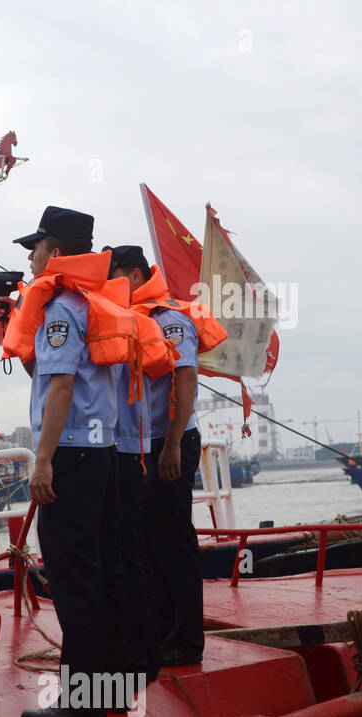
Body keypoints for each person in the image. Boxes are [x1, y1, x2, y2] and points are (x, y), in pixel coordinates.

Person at [0, 206, 130, 717]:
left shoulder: (59, 311)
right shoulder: (92, 303)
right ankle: (112, 691)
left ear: (54, 252)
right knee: (104, 574)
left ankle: (82, 704)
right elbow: (57, 373)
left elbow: (61, 387)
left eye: (34, 248)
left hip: (71, 456)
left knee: (74, 581)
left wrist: (43, 460)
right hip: (103, 455)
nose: (29, 258)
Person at [126, 255, 227, 667]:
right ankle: (163, 631)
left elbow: (185, 378)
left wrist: (170, 445)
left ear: (133, 274)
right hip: (140, 446)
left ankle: (186, 641)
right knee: (149, 542)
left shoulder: (170, 320)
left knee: (173, 541)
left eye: (112, 275)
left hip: (167, 442)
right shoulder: (130, 317)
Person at [103, 245, 172, 683]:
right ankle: (144, 656)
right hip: (129, 448)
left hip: (127, 451)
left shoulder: (130, 322)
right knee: (135, 554)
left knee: (127, 556)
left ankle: (137, 661)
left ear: (130, 275)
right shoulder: (134, 322)